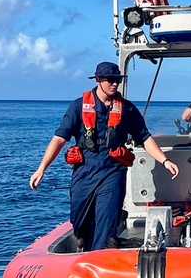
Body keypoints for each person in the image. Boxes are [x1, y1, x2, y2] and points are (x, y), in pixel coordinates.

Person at [29, 62, 180, 251]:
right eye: (110, 80)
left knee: (106, 221)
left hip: (113, 171)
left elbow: (144, 137)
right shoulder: (78, 107)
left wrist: (164, 160)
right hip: (85, 171)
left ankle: (99, 255)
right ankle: (85, 240)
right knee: (79, 219)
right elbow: (60, 139)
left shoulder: (127, 109)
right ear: (98, 80)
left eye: (117, 80)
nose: (115, 84)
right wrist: (41, 168)